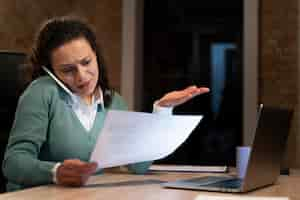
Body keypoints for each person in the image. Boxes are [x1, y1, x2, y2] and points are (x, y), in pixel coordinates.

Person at [2, 16, 209, 191]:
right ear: (50, 71)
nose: (82, 76)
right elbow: (12, 163)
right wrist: (56, 172)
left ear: (96, 56)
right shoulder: (42, 92)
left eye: (86, 62)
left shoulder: (113, 101)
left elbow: (139, 166)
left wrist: (162, 111)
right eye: (67, 70)